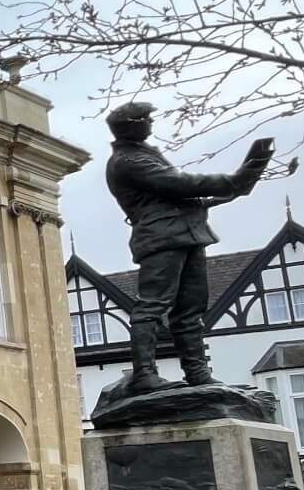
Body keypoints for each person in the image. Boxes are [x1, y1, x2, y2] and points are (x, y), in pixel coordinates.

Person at [103, 101, 271, 393]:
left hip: (187, 234)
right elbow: (177, 183)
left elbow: (179, 195)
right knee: (153, 306)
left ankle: (196, 372)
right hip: (161, 238)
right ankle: (144, 374)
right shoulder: (127, 161)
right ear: (133, 125)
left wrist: (235, 186)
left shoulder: (142, 155)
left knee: (191, 309)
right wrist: (232, 181)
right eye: (146, 119)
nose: (151, 124)